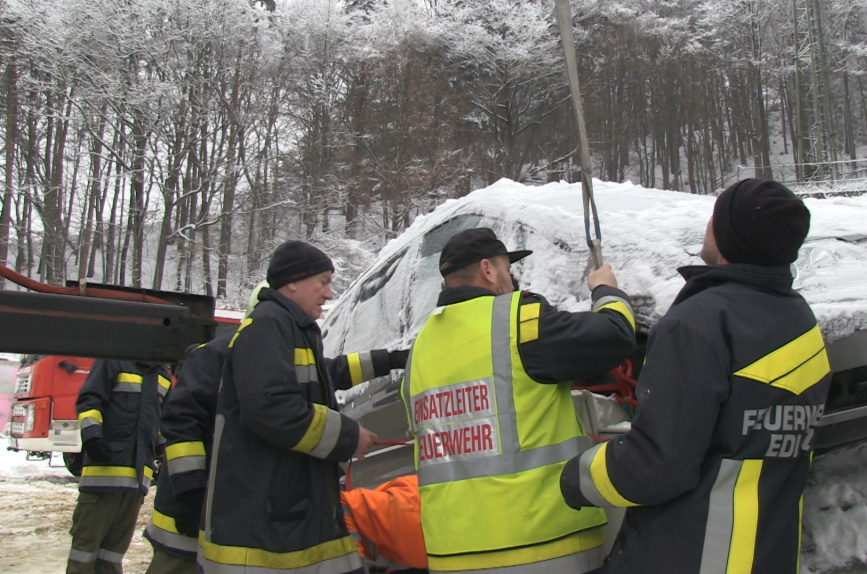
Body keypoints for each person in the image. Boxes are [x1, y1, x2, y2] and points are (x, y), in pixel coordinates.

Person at [560, 179, 832, 573]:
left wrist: (576, 478)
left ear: (730, 236)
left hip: (696, 555)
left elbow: (657, 465)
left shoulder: (698, 324)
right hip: (768, 552)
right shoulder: (799, 320)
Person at [400, 227, 637, 573]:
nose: (511, 280)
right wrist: (606, 291)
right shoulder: (516, 320)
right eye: (506, 269)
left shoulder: (420, 348)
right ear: (488, 269)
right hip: (541, 547)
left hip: (451, 553)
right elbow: (615, 336)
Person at [146, 280, 407, 573]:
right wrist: (190, 491)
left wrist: (390, 360)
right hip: (186, 520)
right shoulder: (212, 356)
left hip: (231, 516)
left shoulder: (279, 355)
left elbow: (333, 370)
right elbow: (181, 429)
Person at [198, 240, 383, 574]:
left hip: (287, 511)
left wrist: (390, 360)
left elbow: (326, 376)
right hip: (262, 529)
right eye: (323, 282)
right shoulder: (268, 325)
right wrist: (348, 437)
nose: (329, 294)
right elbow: (272, 408)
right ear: (293, 281)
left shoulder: (289, 327)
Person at [68, 359, 173, 574]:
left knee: (113, 555)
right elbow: (90, 401)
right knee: (84, 553)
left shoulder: (163, 375)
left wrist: (164, 452)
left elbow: (161, 421)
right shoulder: (112, 362)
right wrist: (92, 435)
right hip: (103, 478)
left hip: (136, 484)